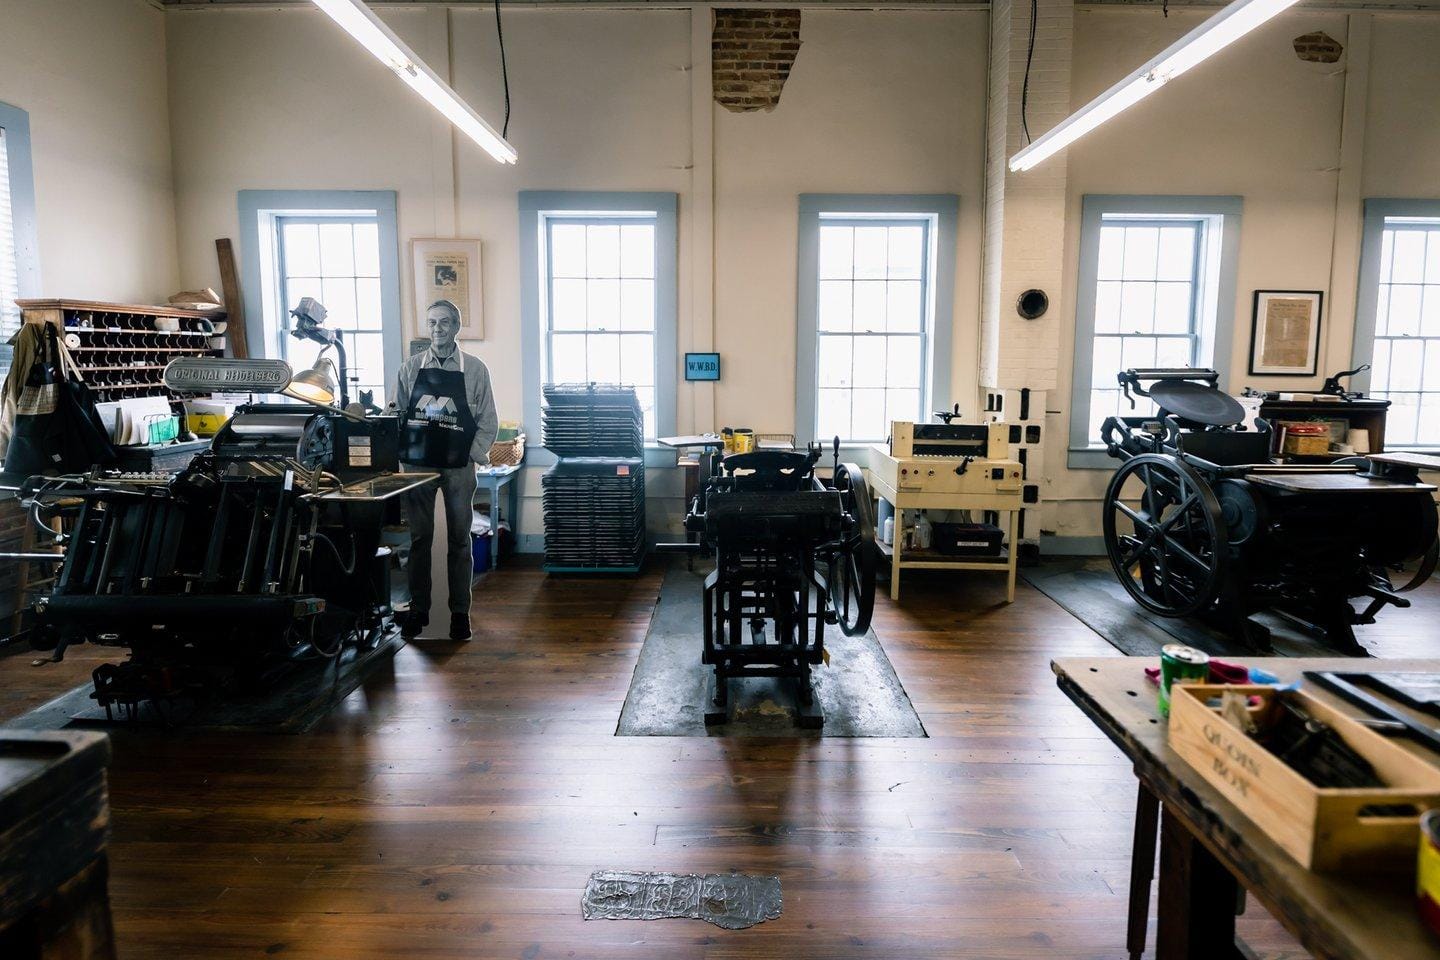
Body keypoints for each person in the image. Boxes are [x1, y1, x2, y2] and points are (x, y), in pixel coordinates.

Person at [395, 299, 499, 641]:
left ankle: (459, 614)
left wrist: (471, 453)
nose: (437, 330)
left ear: (456, 327)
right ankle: (419, 609)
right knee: (420, 538)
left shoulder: (475, 369)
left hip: (458, 466)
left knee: (459, 539)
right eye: (432, 323)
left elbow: (488, 420)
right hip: (418, 465)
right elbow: (397, 416)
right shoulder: (409, 369)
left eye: (444, 323)